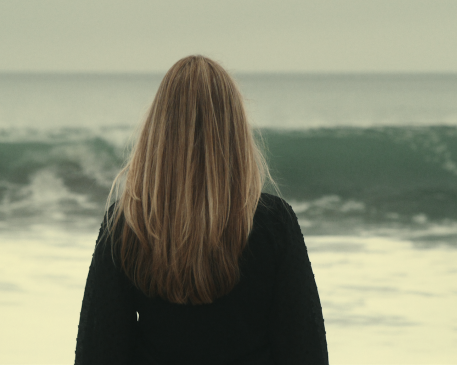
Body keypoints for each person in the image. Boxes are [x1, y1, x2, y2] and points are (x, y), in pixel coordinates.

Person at [75, 56, 328, 365]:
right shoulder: (273, 224)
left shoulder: (128, 225)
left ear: (159, 131)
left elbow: (98, 352)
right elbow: (306, 351)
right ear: (235, 133)